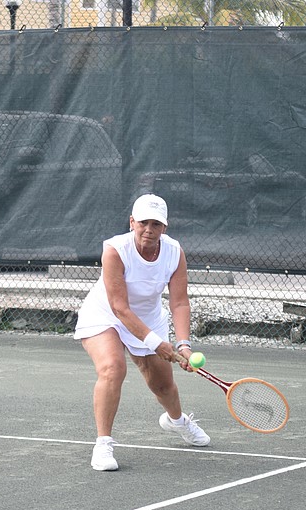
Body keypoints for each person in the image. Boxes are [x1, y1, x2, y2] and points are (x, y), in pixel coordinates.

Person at [74, 193, 210, 471]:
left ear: (165, 227)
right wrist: (156, 343)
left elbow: (180, 301)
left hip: (150, 317)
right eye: (144, 223)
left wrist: (183, 344)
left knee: (162, 385)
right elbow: (120, 308)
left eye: (156, 224)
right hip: (105, 315)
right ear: (132, 222)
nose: (149, 230)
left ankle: (177, 422)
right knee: (113, 368)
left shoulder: (174, 252)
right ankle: (103, 444)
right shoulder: (115, 249)